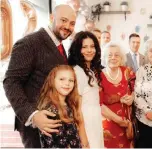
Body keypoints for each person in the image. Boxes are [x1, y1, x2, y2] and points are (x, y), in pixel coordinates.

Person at [3, 4, 77, 148]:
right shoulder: (30, 42)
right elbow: (11, 82)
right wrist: (33, 115)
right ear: (51, 18)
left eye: (72, 23)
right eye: (63, 20)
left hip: (56, 124)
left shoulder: (60, 46)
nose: (67, 26)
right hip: (36, 126)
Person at [68, 31, 104, 148]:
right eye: (84, 47)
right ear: (77, 50)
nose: (89, 50)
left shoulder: (90, 70)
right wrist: (84, 141)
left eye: (92, 46)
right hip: (86, 125)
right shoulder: (77, 71)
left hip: (94, 122)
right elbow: (76, 110)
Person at [37, 65, 88, 148]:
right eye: (62, 79)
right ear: (52, 81)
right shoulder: (51, 110)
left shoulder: (68, 105)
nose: (67, 83)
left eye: (71, 80)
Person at [100, 42, 135, 148]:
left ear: (121, 58)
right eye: (109, 55)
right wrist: (118, 120)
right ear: (104, 58)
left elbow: (137, 90)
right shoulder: (98, 76)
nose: (113, 58)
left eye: (117, 55)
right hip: (108, 126)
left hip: (127, 125)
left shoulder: (128, 71)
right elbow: (99, 104)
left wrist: (132, 97)